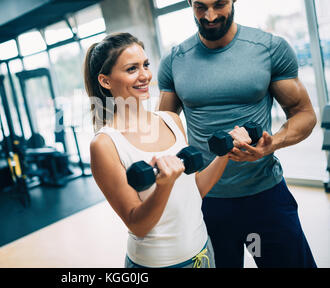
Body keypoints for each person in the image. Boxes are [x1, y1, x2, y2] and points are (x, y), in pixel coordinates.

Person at [157, 0, 317, 268]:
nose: (210, 16)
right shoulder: (175, 61)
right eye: (200, 7)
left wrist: (274, 143)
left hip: (264, 195)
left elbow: (304, 114)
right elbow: (163, 128)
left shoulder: (269, 49)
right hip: (206, 201)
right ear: (189, 2)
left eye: (220, 4)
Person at [84, 32, 251, 268]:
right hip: (157, 264)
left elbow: (195, 190)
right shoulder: (105, 144)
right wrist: (163, 185)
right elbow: (138, 225)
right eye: (132, 69)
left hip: (203, 251)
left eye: (145, 65)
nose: (145, 76)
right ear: (105, 81)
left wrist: (226, 153)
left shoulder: (171, 120)